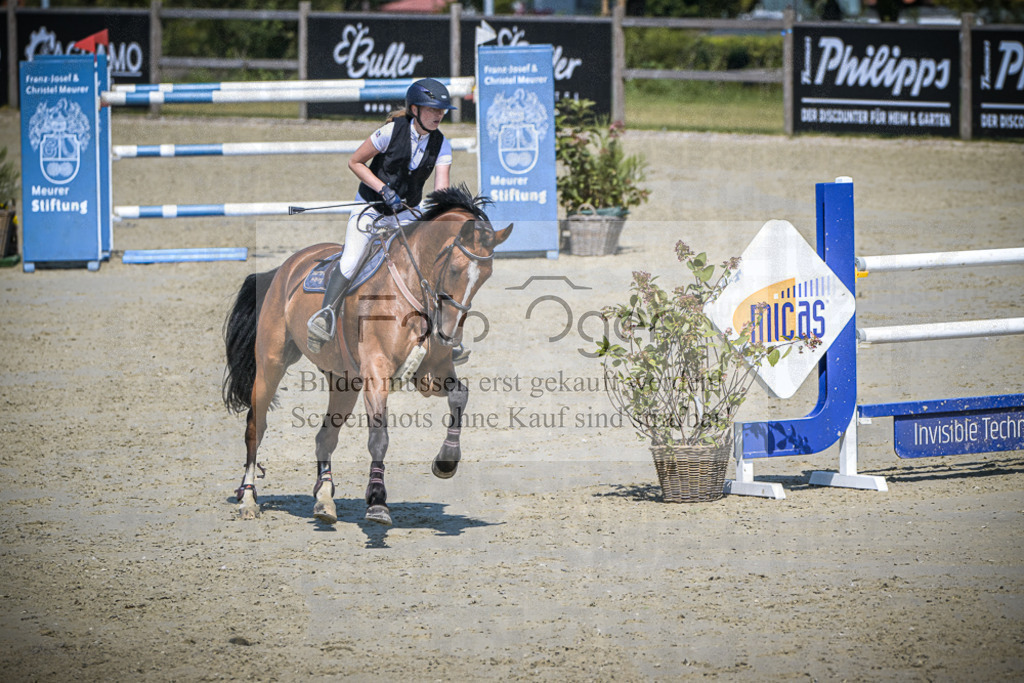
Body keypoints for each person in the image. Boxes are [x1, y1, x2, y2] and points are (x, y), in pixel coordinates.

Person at [307, 78, 463, 358]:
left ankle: (443, 331)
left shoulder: (442, 145)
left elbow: (441, 190)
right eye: (432, 109)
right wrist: (382, 188)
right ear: (414, 109)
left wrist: (437, 222)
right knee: (353, 259)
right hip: (370, 208)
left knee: (430, 265)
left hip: (405, 214)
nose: (439, 115)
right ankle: (326, 315)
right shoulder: (390, 131)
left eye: (441, 111)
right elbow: (355, 162)